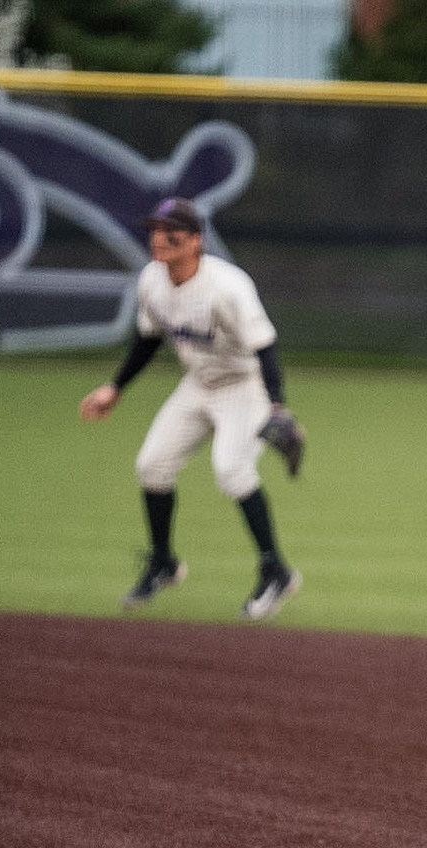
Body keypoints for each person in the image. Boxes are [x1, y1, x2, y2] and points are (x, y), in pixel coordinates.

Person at [78, 196, 301, 621]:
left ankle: (276, 571)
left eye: (171, 232)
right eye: (156, 231)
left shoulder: (228, 287)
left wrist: (275, 405)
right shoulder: (152, 280)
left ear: (195, 241)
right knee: (151, 466)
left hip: (243, 385)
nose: (159, 239)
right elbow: (149, 337)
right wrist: (116, 387)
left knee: (231, 472)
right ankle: (163, 562)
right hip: (198, 384)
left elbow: (265, 346)